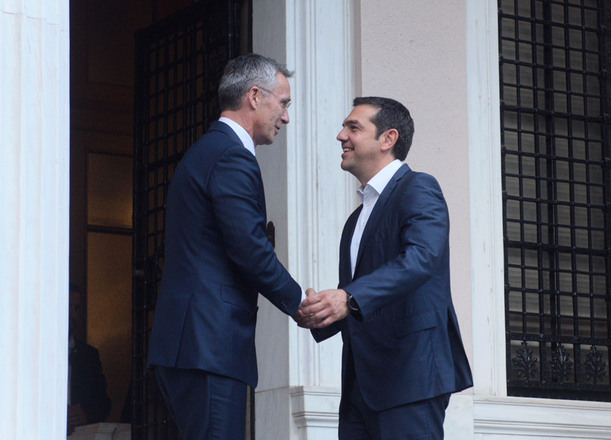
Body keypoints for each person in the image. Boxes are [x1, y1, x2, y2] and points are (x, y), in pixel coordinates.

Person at [147, 53, 305, 440]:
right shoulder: (231, 155)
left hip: (195, 345)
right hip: (209, 347)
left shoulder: (209, 150)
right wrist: (300, 301)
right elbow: (249, 248)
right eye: (283, 103)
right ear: (254, 96)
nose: (285, 117)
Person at [299, 97, 473, 439]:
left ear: (387, 139)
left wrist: (346, 299)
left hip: (410, 378)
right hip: (360, 387)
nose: (340, 136)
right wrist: (323, 313)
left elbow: (421, 259)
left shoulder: (419, 188)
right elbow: (358, 296)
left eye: (353, 127)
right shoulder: (356, 219)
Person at [68, 283, 111, 434]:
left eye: (77, 308)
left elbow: (104, 403)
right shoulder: (36, 351)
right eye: (68, 306)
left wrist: (85, 413)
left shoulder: (89, 355)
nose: (72, 313)